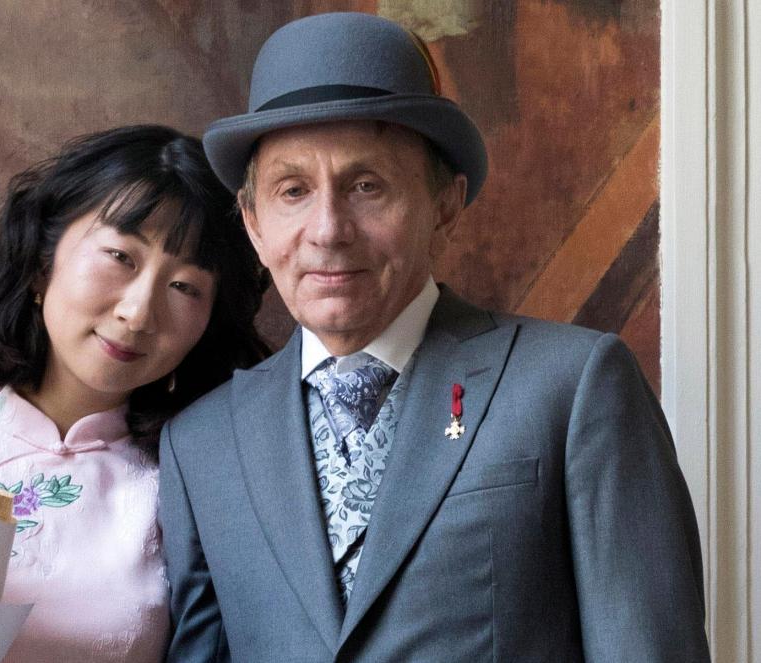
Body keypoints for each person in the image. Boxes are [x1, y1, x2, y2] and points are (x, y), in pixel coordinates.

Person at [158, 12, 709, 662]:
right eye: (293, 190)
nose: (328, 229)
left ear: (444, 206)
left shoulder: (573, 387)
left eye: (367, 186)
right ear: (254, 224)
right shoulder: (201, 445)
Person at [0, 124, 268, 662]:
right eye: (121, 257)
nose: (138, 312)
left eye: (184, 287)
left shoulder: (198, 502)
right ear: (40, 263)